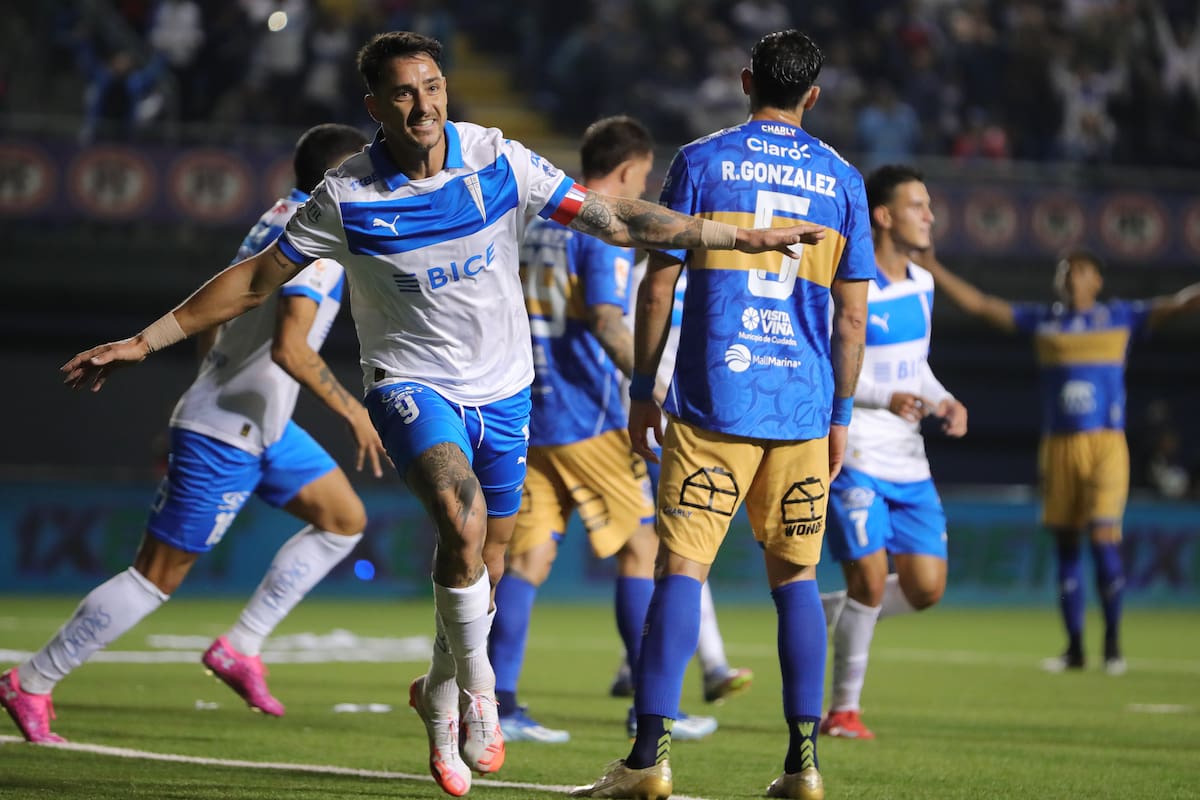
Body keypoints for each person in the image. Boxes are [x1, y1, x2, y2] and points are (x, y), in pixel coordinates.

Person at [59, 31, 825, 798]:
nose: (422, 104)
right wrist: (142, 340)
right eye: (402, 92)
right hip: (410, 385)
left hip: (504, 391)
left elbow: (613, 218)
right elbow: (254, 280)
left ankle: (440, 696)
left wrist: (732, 236)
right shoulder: (348, 195)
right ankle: (482, 696)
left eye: (431, 87)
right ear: (375, 107)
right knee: (459, 524)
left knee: (485, 563)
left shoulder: (498, 159)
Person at [2, 123, 381, 744]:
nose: (377, 180)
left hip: (263, 424)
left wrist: (207, 380)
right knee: (156, 577)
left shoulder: (275, 218)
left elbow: (225, 310)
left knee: (343, 520)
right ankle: (32, 681)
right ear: (341, 180)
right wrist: (353, 410)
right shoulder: (317, 242)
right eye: (367, 171)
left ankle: (242, 646)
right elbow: (291, 347)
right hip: (227, 431)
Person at [571, 29, 872, 800]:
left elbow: (656, 287)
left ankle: (647, 761)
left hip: (712, 401)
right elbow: (849, 321)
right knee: (797, 581)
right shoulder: (842, 179)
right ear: (813, 94)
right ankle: (803, 765)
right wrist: (840, 414)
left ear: (746, 81)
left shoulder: (701, 161)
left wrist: (643, 390)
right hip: (802, 409)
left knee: (680, 572)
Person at [488, 116, 716, 746]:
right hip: (588, 416)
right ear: (626, 171)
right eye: (643, 177)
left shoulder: (534, 219)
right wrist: (659, 391)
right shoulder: (596, 225)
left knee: (528, 558)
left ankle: (501, 701)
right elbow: (610, 322)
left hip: (527, 410)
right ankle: (647, 703)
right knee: (642, 550)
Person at [918, 247, 1200, 675]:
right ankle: (1074, 649)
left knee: (1104, 539)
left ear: (1097, 281)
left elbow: (1179, 304)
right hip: (1059, 445)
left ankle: (1112, 646)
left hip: (1105, 444)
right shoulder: (1044, 321)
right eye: (1065, 271)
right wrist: (935, 266)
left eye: (1080, 271)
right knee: (1067, 545)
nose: (1070, 277)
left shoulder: (1121, 317)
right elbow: (982, 306)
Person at [816, 165, 968, 741]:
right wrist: (884, 397)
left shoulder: (922, 285)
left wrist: (944, 399)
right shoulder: (850, 285)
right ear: (883, 216)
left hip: (910, 462)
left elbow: (916, 368)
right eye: (917, 205)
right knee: (873, 581)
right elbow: (836, 368)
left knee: (927, 588)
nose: (928, 215)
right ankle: (842, 712)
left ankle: (847, 608)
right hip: (854, 456)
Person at [608, 260, 754, 708]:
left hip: (706, 428)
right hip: (658, 430)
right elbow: (622, 351)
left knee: (671, 550)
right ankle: (710, 665)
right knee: (680, 547)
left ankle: (634, 664)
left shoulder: (720, 275)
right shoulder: (643, 277)